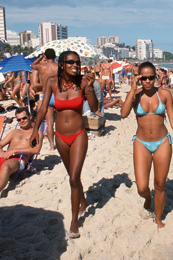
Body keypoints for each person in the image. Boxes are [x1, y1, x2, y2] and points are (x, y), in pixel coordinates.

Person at [29, 51, 98, 238]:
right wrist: (36, 131)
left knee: (74, 177)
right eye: (71, 62)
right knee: (72, 176)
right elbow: (43, 108)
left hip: (79, 135)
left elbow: (94, 108)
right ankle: (82, 200)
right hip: (60, 136)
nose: (76, 65)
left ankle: (74, 221)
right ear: (62, 64)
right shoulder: (52, 82)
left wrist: (90, 88)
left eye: (78, 62)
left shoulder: (83, 83)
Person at [121, 61, 173, 228]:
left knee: (160, 184)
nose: (148, 81)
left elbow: (172, 119)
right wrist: (132, 89)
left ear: (156, 77)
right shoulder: (135, 95)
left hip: (163, 142)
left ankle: (158, 218)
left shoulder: (164, 94)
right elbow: (123, 114)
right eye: (144, 78)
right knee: (142, 187)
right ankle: (148, 199)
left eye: (151, 77)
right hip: (141, 142)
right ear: (139, 78)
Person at [0, 108, 43, 192]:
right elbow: (0, 144)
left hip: (18, 159)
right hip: (5, 155)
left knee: (6, 167)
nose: (22, 121)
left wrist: (15, 151)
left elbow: (36, 150)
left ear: (30, 117)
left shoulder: (36, 133)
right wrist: (1, 152)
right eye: (19, 120)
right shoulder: (15, 132)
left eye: (24, 118)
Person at [31, 48, 58, 150]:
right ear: (55, 56)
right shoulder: (59, 67)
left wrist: (41, 57)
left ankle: (51, 145)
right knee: (60, 120)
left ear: (45, 56)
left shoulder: (41, 67)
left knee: (50, 122)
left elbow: (32, 65)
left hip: (46, 94)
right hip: (58, 94)